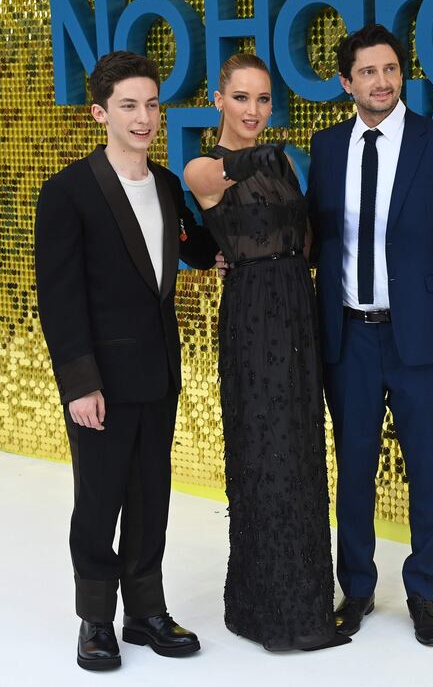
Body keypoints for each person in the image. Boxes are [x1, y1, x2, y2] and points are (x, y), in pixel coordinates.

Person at [306, 24, 433, 646]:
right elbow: (316, 240)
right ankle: (356, 588)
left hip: (423, 339)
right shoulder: (327, 147)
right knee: (353, 467)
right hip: (348, 337)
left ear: (401, 74)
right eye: (367, 72)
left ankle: (424, 593)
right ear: (345, 82)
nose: (380, 81)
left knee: (427, 469)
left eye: (390, 69)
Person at [34, 51, 218, 671]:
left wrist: (224, 193)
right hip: (101, 384)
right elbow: (59, 300)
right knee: (98, 501)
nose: (144, 118)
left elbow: (196, 251)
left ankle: (145, 612)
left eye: (152, 104)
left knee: (151, 498)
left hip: (159, 372)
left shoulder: (166, 183)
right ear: (100, 113)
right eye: (130, 106)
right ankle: (95, 620)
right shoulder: (67, 193)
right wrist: (79, 383)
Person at [183, 53, 347, 652]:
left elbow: (303, 241)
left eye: (263, 100)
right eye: (242, 98)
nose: (254, 111)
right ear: (218, 100)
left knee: (301, 450)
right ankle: (269, 613)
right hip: (252, 315)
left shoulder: (284, 166)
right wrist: (274, 154)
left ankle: (304, 603)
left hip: (295, 308)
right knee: (264, 451)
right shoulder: (204, 166)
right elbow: (219, 177)